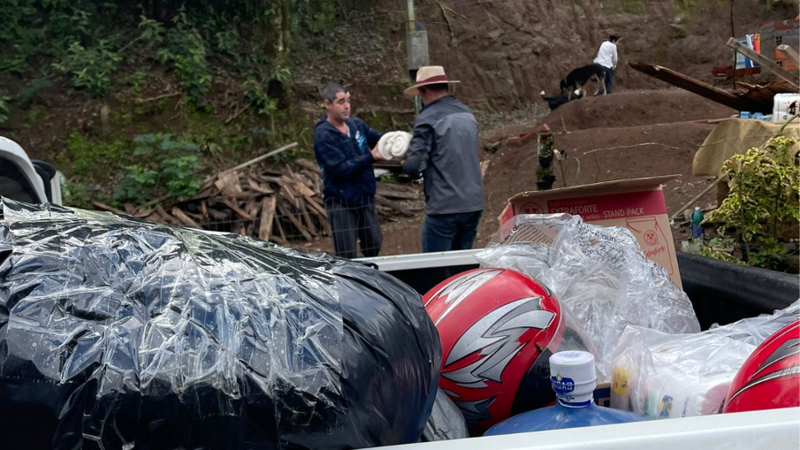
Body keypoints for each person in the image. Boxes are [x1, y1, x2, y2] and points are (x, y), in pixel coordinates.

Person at [399, 66, 484, 253]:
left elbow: (414, 167)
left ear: (424, 90)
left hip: (445, 206)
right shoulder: (466, 113)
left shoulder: (427, 118)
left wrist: (405, 163)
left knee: (434, 269)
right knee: (462, 269)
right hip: (473, 203)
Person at [313, 83, 383, 258]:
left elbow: (379, 139)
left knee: (374, 245)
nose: (346, 106)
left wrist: (395, 144)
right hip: (340, 202)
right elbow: (341, 169)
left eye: (348, 101)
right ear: (327, 105)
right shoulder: (324, 135)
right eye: (341, 102)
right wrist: (371, 157)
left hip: (364, 196)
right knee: (346, 254)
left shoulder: (356, 125)